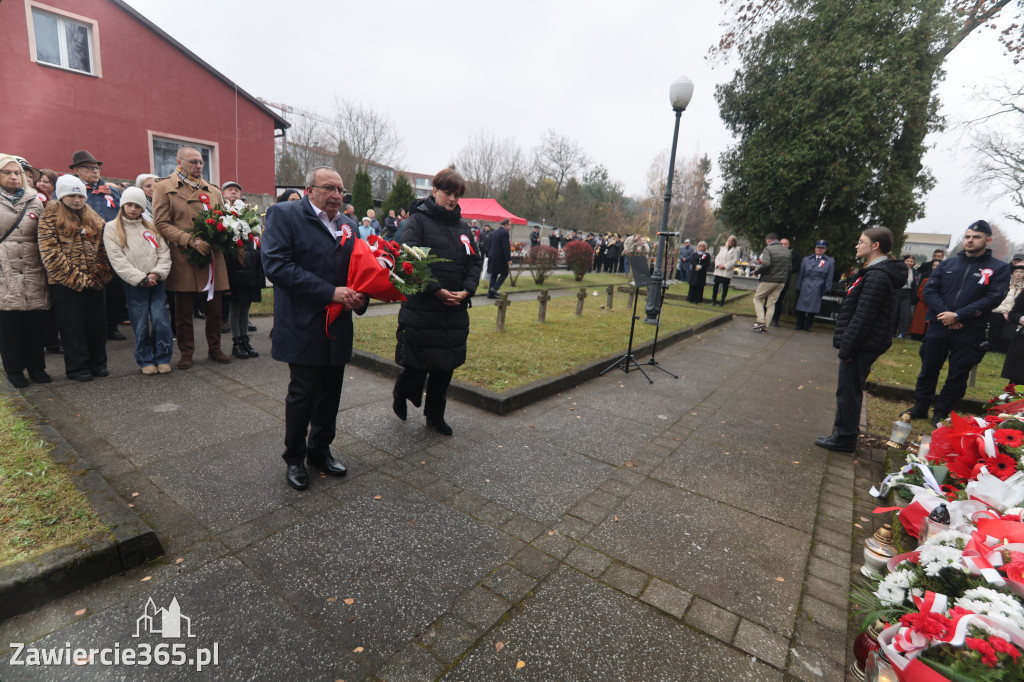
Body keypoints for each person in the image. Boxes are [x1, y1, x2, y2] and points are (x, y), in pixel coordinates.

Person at [262, 166, 367, 491]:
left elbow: (359, 270)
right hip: (302, 323)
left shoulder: (349, 225)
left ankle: (320, 450)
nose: (336, 195)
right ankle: (294, 458)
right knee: (303, 394)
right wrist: (329, 292)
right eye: (329, 188)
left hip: (337, 326)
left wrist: (361, 295)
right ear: (309, 190)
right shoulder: (284, 215)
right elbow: (277, 265)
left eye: (340, 190)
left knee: (330, 393)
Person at [392, 169, 482, 436]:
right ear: (434, 191)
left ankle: (435, 415)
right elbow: (410, 260)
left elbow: (474, 262)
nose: (452, 199)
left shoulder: (463, 227)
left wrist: (467, 290)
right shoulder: (418, 221)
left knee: (445, 365)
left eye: (457, 195)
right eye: (447, 193)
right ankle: (402, 391)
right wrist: (437, 290)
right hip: (423, 307)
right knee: (417, 361)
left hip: (454, 309)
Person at [906, 220, 1010, 426]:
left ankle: (942, 412)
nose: (970, 240)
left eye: (976, 237)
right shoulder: (948, 264)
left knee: (958, 373)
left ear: (988, 241)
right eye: (967, 236)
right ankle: (920, 406)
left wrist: (959, 315)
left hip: (970, 329)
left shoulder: (999, 268)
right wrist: (947, 315)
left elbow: (993, 297)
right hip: (939, 324)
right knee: (928, 368)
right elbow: (930, 291)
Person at [815, 227, 904, 452]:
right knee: (848, 389)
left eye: (862, 241)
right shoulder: (872, 272)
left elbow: (863, 317)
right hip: (863, 343)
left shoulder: (877, 276)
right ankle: (843, 434)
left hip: (862, 345)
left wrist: (848, 348)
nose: (857, 245)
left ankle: (844, 438)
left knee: (848, 391)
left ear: (875, 246)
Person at [152, 146, 231, 369]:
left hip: (212, 257)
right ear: (179, 162)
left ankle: (215, 348)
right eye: (193, 162)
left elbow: (223, 220)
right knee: (183, 312)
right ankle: (186, 352)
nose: (199, 165)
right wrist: (189, 240)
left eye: (201, 162)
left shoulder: (213, 191)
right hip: (184, 256)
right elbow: (161, 223)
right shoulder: (164, 187)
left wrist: (222, 235)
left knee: (215, 311)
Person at [38, 175, 113, 381]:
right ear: (62, 196)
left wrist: (98, 276)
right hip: (65, 283)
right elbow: (50, 252)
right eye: (72, 195)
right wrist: (78, 279)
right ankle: (77, 367)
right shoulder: (50, 217)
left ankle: (98, 363)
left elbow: (105, 251)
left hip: (95, 282)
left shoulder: (95, 218)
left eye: (80, 196)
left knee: (97, 326)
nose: (77, 200)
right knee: (72, 327)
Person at [102, 187, 173, 375]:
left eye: (137, 206)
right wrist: (141, 279)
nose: (133, 209)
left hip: (156, 281)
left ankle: (163, 356)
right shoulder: (112, 228)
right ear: (123, 205)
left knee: (160, 319)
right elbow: (118, 259)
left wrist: (157, 273)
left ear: (143, 208)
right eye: (129, 205)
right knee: (140, 321)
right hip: (135, 283)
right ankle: (145, 358)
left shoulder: (151, 227)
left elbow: (164, 253)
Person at [0, 153, 51, 387]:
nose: (13, 176)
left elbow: (45, 234)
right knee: (9, 322)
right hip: (4, 267)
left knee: (34, 320)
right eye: (7, 172)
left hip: (32, 266)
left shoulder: (35, 200)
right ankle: (14, 369)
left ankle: (37, 367)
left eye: (17, 173)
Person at [69, 150, 126, 342]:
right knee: (90, 289)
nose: (95, 171)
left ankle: (111, 326)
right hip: (85, 248)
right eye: (89, 168)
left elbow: (121, 214)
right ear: (76, 170)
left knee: (114, 289)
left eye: (97, 168)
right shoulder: (71, 190)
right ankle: (90, 329)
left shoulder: (111, 191)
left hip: (111, 246)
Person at [225, 219, 264, 360]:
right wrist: (227, 286)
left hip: (249, 281)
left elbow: (256, 263)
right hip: (236, 283)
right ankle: (237, 343)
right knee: (235, 311)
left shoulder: (252, 243)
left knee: (245, 311)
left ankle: (244, 340)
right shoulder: (230, 246)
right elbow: (227, 267)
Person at [751, 233, 792, 333]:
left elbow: (766, 264)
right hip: (781, 281)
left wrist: (756, 272)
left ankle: (760, 320)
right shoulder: (787, 251)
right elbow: (790, 268)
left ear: (769, 241)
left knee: (757, 298)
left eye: (767, 242)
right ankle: (766, 326)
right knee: (771, 304)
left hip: (769, 280)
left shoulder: (768, 249)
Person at [794, 239, 835, 332]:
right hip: (806, 283)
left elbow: (830, 275)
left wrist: (828, 287)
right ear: (815, 248)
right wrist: (798, 285)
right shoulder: (806, 259)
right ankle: (799, 324)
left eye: (822, 248)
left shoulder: (829, 261)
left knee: (813, 306)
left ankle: (809, 325)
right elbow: (801, 274)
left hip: (818, 284)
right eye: (818, 247)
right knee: (801, 305)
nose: (819, 249)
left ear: (825, 250)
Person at [992, 264, 1024, 354]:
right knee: (995, 330)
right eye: (1016, 271)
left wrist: (1010, 313)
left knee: (1008, 335)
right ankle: (992, 347)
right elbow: (999, 298)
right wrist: (1003, 311)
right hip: (999, 311)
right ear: (1012, 273)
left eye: (1021, 272)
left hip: (1013, 313)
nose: (1018, 274)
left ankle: (1004, 350)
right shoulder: (1005, 283)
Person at [890, 255, 919, 338]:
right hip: (897, 291)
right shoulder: (898, 269)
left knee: (905, 314)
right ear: (904, 261)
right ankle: (891, 332)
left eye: (911, 261)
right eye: (907, 261)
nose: (909, 263)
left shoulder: (914, 272)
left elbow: (914, 285)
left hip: (907, 293)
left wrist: (914, 297)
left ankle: (901, 333)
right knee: (894, 313)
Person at [487, 218, 512, 299]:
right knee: (505, 273)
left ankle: (490, 294)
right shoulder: (505, 233)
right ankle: (494, 288)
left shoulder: (494, 232)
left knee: (494, 274)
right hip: (500, 257)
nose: (511, 227)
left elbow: (490, 244)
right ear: (505, 225)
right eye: (510, 225)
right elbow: (506, 247)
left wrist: (489, 254)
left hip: (492, 256)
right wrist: (508, 259)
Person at [711, 235, 739, 306]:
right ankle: (713, 300)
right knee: (715, 285)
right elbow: (717, 257)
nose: (731, 242)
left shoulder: (736, 251)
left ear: (734, 242)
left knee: (725, 286)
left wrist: (725, 266)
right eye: (729, 241)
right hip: (719, 270)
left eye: (732, 241)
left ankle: (722, 301)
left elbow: (734, 261)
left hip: (726, 271)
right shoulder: (723, 249)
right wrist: (718, 265)